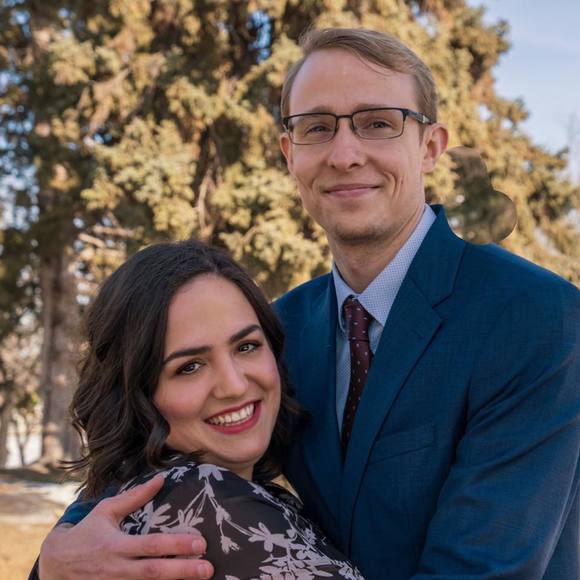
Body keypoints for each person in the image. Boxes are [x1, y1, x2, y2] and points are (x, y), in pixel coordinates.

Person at [37, 27, 580, 580]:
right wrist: (56, 559)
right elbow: (138, 461)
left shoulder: (535, 316)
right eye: (317, 128)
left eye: (378, 123)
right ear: (289, 153)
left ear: (431, 147)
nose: (344, 155)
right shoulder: (275, 334)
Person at [31, 240, 364, 579]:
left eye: (247, 346)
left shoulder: (148, 498)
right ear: (136, 394)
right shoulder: (203, 500)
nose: (234, 385)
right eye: (189, 366)